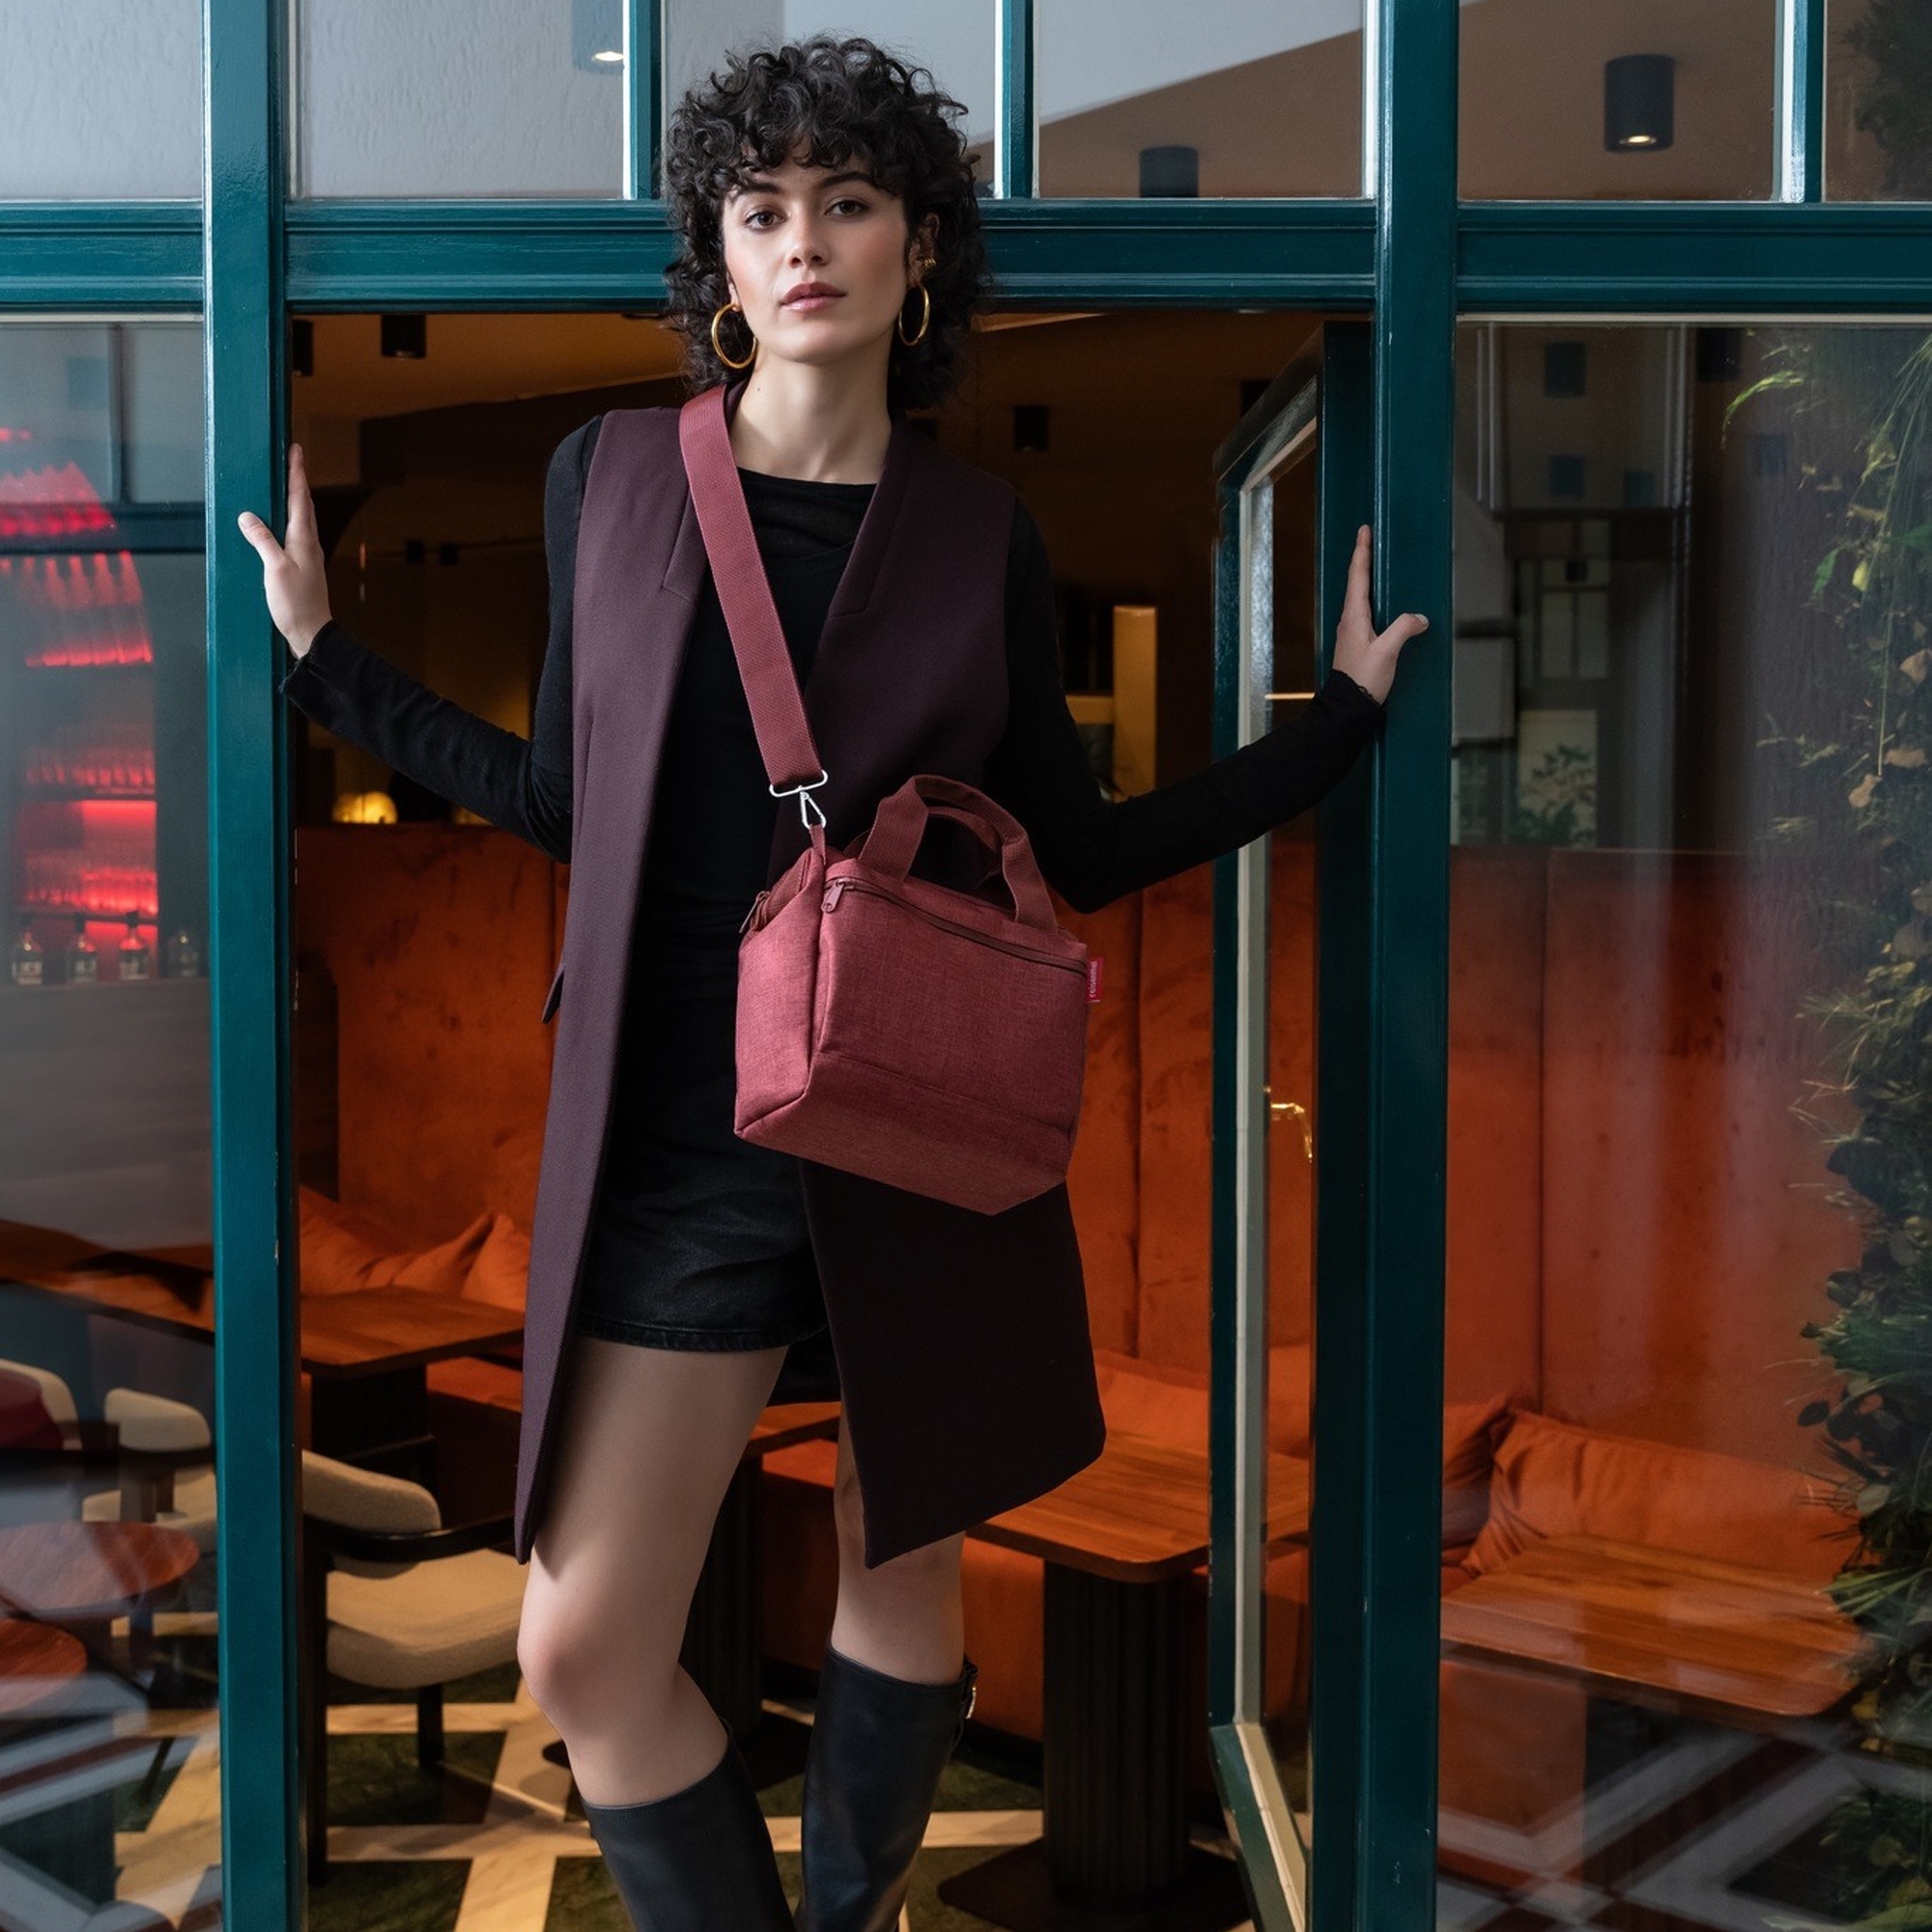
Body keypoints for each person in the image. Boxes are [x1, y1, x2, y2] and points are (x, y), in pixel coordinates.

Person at [239, 33, 1427, 1931]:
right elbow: (566, 797)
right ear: (716, 253)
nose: (805, 241)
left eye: (850, 202)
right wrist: (326, 665)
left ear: (918, 251)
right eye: (762, 206)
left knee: (905, 1558)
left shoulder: (975, 535)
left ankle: (856, 1907)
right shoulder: (608, 479)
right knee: (583, 1652)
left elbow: (1072, 842)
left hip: (913, 1135)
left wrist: (1332, 729)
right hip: (678, 1161)